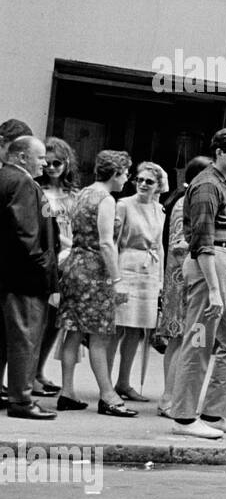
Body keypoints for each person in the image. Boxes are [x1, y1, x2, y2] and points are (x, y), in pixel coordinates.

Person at [169, 129, 226, 439]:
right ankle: (184, 417)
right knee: (199, 342)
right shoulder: (207, 185)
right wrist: (215, 289)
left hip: (224, 263)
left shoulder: (220, 182)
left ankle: (214, 413)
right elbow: (202, 240)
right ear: (220, 151)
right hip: (212, 265)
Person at [58, 149, 136, 418]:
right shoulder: (105, 199)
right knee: (100, 336)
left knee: (74, 332)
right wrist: (117, 280)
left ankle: (67, 392)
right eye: (125, 173)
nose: (127, 179)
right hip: (94, 270)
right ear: (115, 173)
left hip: (75, 265)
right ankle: (108, 395)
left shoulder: (82, 194)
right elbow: (105, 242)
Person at [1, 136, 58, 420]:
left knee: (3, 337)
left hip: (6, 275)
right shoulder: (22, 183)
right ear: (22, 157)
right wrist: (44, 265)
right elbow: (27, 234)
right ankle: (22, 400)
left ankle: (10, 395)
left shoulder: (4, 177)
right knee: (25, 338)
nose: (45, 163)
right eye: (40, 157)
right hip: (24, 277)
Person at [156, 155, 212, 418]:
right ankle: (169, 398)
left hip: (182, 280)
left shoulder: (183, 199)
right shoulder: (185, 203)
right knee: (181, 340)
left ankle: (173, 397)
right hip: (184, 281)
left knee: (182, 340)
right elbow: (180, 244)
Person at [111, 161, 167, 402]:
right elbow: (112, 241)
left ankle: (124, 382)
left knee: (136, 329)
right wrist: (114, 276)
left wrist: (161, 279)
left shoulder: (159, 210)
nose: (143, 184)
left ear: (158, 186)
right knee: (117, 326)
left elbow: (160, 245)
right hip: (127, 263)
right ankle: (105, 382)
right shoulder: (123, 205)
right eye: (140, 180)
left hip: (149, 269)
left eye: (149, 181)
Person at [32, 136, 77, 397]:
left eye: (57, 162)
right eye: (47, 163)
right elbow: (45, 230)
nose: (51, 167)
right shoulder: (39, 192)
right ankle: (30, 374)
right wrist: (67, 244)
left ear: (67, 163)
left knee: (55, 323)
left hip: (69, 262)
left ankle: (39, 371)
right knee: (42, 319)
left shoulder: (74, 194)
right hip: (52, 257)